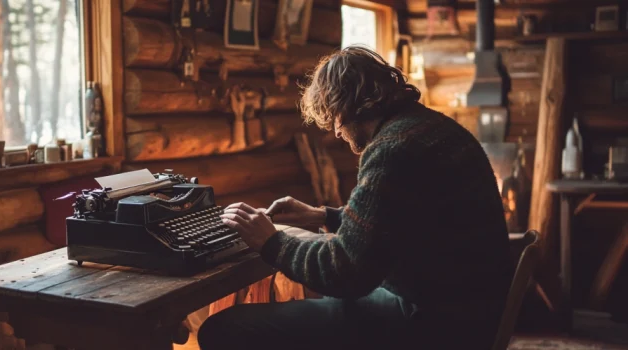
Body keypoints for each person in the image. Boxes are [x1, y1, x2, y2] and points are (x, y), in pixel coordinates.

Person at [198, 46, 513, 350]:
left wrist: (270, 242)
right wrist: (323, 216)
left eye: (334, 116)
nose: (336, 131)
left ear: (351, 106)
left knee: (225, 329)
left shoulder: (392, 149)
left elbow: (346, 272)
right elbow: (399, 224)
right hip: (466, 311)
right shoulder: (431, 127)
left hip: (435, 325)